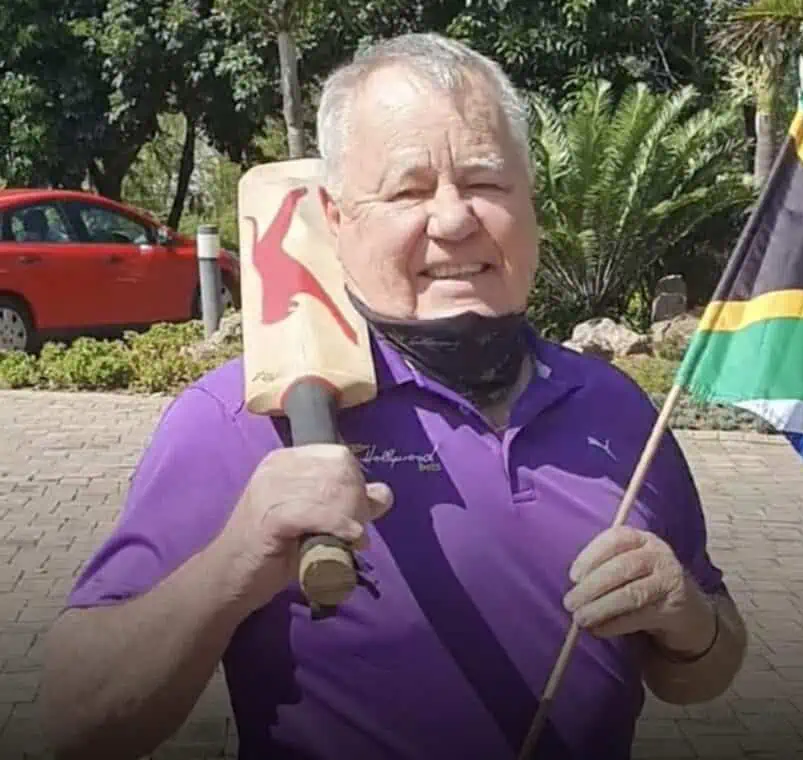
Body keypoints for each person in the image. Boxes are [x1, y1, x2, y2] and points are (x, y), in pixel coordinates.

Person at [40, 32, 747, 760]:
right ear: (336, 218)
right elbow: (72, 720)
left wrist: (687, 618)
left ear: (531, 200)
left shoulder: (617, 409)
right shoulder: (242, 420)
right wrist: (234, 563)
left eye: (486, 183)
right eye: (408, 191)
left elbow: (702, 670)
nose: (454, 220)